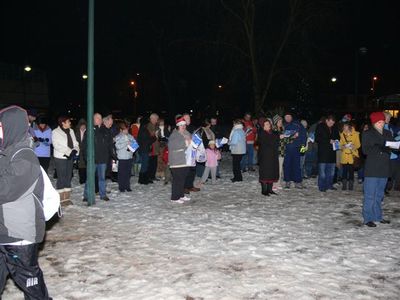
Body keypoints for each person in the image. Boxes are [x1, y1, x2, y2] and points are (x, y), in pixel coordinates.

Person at [0, 105, 51, 299]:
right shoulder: (5, 153)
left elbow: (5, 189)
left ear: (11, 127)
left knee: (32, 286)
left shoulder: (24, 157)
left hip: (18, 234)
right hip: (3, 231)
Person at [362, 112, 393, 227]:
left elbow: (391, 147)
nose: (381, 124)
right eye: (379, 122)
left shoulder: (388, 132)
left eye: (382, 122)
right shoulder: (367, 133)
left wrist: (394, 147)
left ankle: (377, 217)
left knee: (379, 195)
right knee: (370, 195)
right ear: (374, 123)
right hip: (372, 168)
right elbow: (365, 150)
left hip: (384, 167)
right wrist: (379, 148)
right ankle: (368, 218)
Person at [82, 113, 113, 202]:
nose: (99, 119)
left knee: (102, 178)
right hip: (92, 159)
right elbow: (84, 145)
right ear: (93, 119)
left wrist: (111, 154)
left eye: (100, 118)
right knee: (90, 178)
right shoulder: (89, 130)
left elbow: (109, 144)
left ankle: (103, 194)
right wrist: (86, 157)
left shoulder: (105, 130)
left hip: (102, 159)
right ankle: (87, 195)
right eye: (97, 118)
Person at [52, 115, 79, 206]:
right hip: (60, 157)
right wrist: (69, 152)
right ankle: (60, 199)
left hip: (70, 157)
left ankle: (66, 198)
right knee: (61, 177)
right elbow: (56, 145)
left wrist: (75, 149)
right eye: (68, 121)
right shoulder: (55, 132)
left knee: (68, 177)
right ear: (63, 123)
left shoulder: (71, 131)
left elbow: (75, 142)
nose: (70, 123)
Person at [168, 116, 191, 203]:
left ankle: (181, 195)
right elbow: (173, 146)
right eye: (181, 125)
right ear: (178, 126)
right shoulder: (174, 135)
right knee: (177, 179)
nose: (183, 126)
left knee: (182, 179)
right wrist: (186, 143)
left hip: (185, 160)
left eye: (184, 125)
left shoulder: (186, 133)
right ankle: (174, 197)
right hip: (176, 161)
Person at [315, 115, 340, 192]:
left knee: (331, 172)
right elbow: (317, 138)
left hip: (332, 153)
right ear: (326, 120)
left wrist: (336, 140)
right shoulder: (320, 126)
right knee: (322, 172)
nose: (331, 124)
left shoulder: (335, 128)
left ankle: (329, 185)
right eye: (330, 122)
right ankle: (322, 187)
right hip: (323, 152)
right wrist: (328, 141)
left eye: (333, 123)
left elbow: (338, 137)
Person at [283, 112, 307, 189]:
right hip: (286, 149)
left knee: (297, 165)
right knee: (287, 165)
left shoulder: (298, 124)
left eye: (289, 116)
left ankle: (297, 182)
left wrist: (303, 146)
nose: (287, 118)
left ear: (292, 117)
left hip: (296, 148)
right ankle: (287, 181)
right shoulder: (283, 125)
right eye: (286, 116)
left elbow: (304, 135)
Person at [258, 119, 280, 196]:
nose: (269, 125)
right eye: (266, 124)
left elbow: (276, 140)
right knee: (265, 173)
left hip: (273, 155)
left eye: (269, 124)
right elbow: (269, 142)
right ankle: (264, 190)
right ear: (263, 126)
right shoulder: (262, 133)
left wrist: (279, 136)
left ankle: (270, 189)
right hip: (265, 156)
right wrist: (277, 137)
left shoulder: (273, 133)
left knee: (272, 172)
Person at [115, 123, 136, 192]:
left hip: (129, 157)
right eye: (125, 130)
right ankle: (121, 187)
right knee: (121, 173)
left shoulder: (130, 136)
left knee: (128, 173)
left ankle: (127, 186)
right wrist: (126, 143)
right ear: (121, 130)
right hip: (122, 157)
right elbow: (117, 147)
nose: (126, 131)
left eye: (127, 129)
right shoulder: (118, 137)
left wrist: (132, 146)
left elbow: (135, 146)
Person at [339, 122, 361, 190]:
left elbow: (358, 144)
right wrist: (343, 146)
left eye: (345, 126)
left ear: (349, 127)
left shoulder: (356, 134)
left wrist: (353, 146)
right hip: (345, 155)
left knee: (351, 171)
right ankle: (344, 186)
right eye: (343, 127)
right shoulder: (342, 134)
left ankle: (351, 186)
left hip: (352, 155)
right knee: (344, 171)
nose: (343, 128)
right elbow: (340, 144)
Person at [183, 113, 200, 193]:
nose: (188, 120)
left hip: (193, 151)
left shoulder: (193, 127)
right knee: (186, 170)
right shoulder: (182, 128)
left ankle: (190, 186)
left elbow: (197, 137)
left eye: (189, 118)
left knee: (193, 169)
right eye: (186, 118)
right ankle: (185, 186)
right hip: (186, 153)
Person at [137, 117, 156, 184]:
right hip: (144, 150)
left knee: (144, 165)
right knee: (145, 165)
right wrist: (154, 137)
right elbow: (147, 141)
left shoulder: (142, 129)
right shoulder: (144, 130)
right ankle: (142, 179)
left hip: (143, 149)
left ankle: (143, 179)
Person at [272, 114, 285, 190]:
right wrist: (278, 137)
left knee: (280, 168)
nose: (281, 122)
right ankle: (274, 184)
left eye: (281, 121)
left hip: (282, 151)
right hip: (275, 151)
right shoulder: (273, 130)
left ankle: (278, 182)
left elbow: (285, 140)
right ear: (276, 121)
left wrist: (292, 137)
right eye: (279, 121)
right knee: (275, 168)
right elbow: (272, 140)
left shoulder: (282, 129)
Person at [147, 113, 160, 181]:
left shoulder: (156, 126)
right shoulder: (149, 125)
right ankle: (149, 176)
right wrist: (155, 132)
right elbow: (151, 135)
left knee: (154, 162)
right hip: (151, 147)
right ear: (152, 119)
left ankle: (152, 176)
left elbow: (159, 136)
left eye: (157, 119)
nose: (157, 120)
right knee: (151, 162)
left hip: (156, 146)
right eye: (156, 119)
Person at [75, 118, 87, 184]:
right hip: (79, 151)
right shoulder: (76, 132)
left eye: (84, 125)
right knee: (80, 166)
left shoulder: (87, 131)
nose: (83, 127)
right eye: (82, 125)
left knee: (85, 165)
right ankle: (82, 180)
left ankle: (85, 179)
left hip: (85, 151)